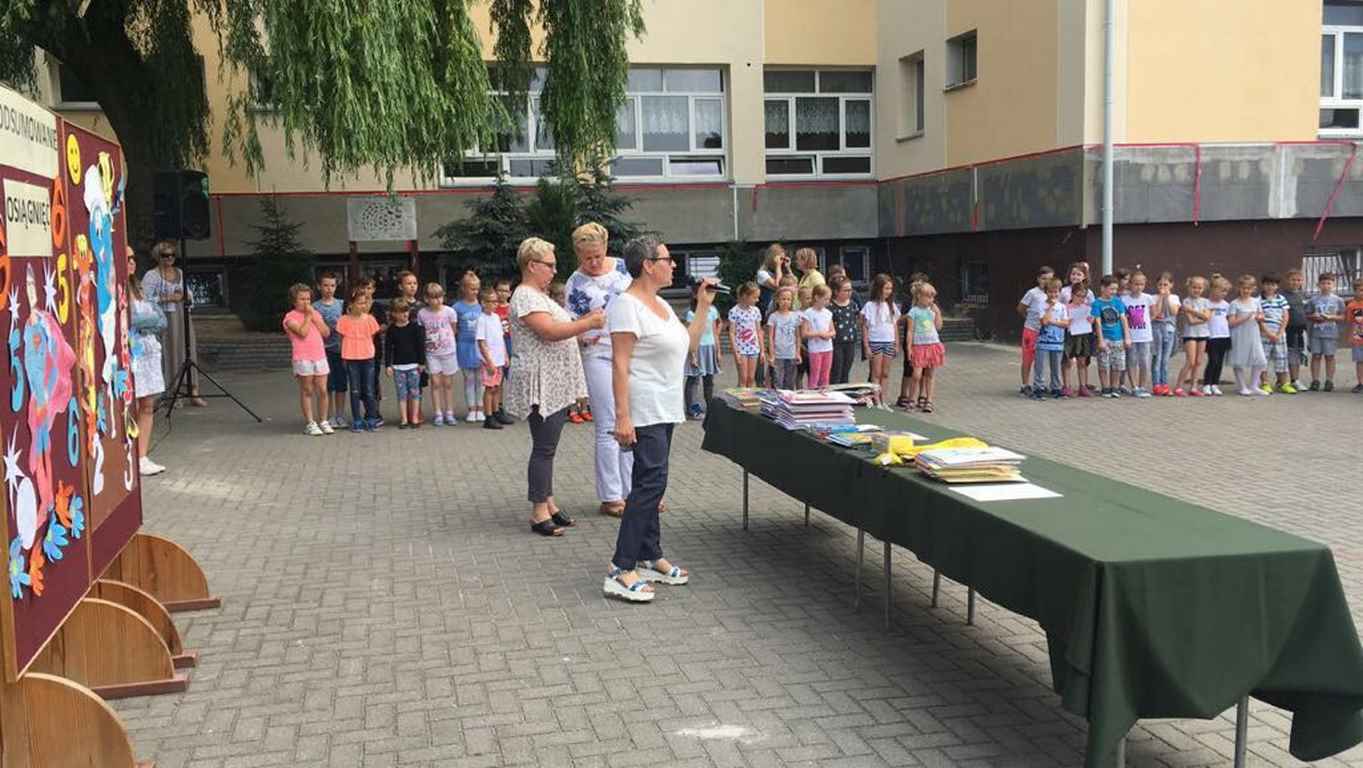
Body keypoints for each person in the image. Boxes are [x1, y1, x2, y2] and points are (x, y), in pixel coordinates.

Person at [601, 236, 718, 603]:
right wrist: (622, 417)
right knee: (651, 483)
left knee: (650, 482)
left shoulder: (662, 304)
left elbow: (688, 345)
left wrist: (703, 306)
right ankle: (621, 568)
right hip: (643, 408)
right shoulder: (626, 306)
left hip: (666, 407)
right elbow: (619, 364)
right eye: (668, 259)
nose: (674, 264)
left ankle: (650, 555)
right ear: (648, 265)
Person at [504, 237, 602, 536]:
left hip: (552, 381)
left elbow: (560, 329)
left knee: (547, 447)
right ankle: (538, 512)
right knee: (544, 448)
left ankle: (548, 503)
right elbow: (548, 331)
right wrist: (588, 323)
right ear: (532, 265)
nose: (554, 271)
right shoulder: (526, 295)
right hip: (542, 382)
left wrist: (582, 327)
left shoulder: (538, 296)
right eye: (549, 265)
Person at [141, 241, 206, 406]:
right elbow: (145, 300)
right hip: (164, 318)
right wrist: (168, 298)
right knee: (169, 351)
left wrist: (184, 295)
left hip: (181, 315)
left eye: (172, 255)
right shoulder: (151, 275)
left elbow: (188, 293)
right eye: (165, 255)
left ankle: (193, 390)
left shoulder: (179, 272)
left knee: (187, 349)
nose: (169, 258)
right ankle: (172, 392)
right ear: (158, 257)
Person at [127, 248, 167, 476]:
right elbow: (130, 319)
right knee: (131, 405)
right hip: (132, 352)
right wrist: (147, 320)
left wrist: (146, 321)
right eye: (127, 258)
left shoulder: (140, 287)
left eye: (134, 258)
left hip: (149, 351)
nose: (132, 262)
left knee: (148, 404)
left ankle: (142, 456)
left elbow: (161, 320)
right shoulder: (115, 287)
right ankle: (129, 457)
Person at [282, 283, 333, 435]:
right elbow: (302, 333)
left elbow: (326, 333)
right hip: (303, 357)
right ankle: (310, 423)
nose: (306, 302)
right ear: (294, 301)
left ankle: (323, 420)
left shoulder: (315, 313)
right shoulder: (290, 317)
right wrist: (309, 316)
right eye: (302, 299)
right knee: (307, 390)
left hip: (319, 355)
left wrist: (315, 317)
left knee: (323, 390)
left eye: (308, 299)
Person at [336, 287, 382, 432]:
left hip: (367, 358)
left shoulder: (370, 319)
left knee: (369, 389)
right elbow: (341, 339)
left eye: (364, 303)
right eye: (359, 303)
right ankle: (357, 419)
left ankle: (371, 418)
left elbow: (372, 337)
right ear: (351, 304)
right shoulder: (343, 320)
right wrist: (344, 356)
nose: (363, 306)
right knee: (355, 390)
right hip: (351, 359)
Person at [419, 283, 459, 425]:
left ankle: (449, 412)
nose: (437, 301)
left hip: (448, 351)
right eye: (434, 298)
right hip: (432, 353)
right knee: (435, 383)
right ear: (426, 299)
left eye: (440, 297)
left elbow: (453, 329)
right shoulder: (422, 313)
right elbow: (421, 332)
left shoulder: (449, 312)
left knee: (448, 383)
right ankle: (438, 413)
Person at [384, 298, 426, 428]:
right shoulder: (391, 330)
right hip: (398, 367)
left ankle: (414, 418)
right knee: (401, 394)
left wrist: (422, 362)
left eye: (406, 311)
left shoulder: (415, 327)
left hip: (413, 365)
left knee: (415, 392)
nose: (404, 314)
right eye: (401, 312)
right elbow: (388, 349)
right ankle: (404, 419)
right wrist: (388, 365)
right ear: (394, 314)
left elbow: (420, 346)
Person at [861, 273, 900, 407]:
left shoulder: (891, 305)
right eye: (886, 288)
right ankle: (876, 399)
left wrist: (896, 343)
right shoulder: (869, 305)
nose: (889, 291)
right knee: (876, 373)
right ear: (878, 289)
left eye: (890, 289)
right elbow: (865, 326)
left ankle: (883, 399)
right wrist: (866, 346)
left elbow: (894, 326)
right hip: (875, 342)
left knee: (885, 373)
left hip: (889, 342)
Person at [905, 282, 946, 412]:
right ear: (919, 296)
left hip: (932, 344)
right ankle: (911, 399)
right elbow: (910, 331)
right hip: (919, 346)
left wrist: (937, 313)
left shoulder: (932, 311)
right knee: (916, 374)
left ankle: (929, 400)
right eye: (928, 297)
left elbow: (938, 327)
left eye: (932, 297)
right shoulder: (913, 311)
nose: (931, 300)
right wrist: (909, 348)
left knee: (930, 374)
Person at [1226, 275, 1269, 396]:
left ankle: (1254, 386)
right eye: (1243, 288)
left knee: (1260, 360)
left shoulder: (1256, 301)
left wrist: (1260, 317)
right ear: (1239, 288)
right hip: (1239, 334)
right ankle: (1242, 387)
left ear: (1253, 289)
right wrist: (1246, 317)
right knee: (1238, 361)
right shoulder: (1234, 304)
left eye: (1249, 288)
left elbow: (1261, 315)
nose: (1246, 291)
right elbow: (1231, 323)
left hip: (1253, 334)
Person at [684, 285, 723, 418]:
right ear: (696, 295)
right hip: (697, 348)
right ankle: (692, 410)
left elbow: (714, 333)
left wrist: (718, 351)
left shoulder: (712, 310)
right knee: (694, 380)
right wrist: (692, 355)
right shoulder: (691, 313)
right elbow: (690, 335)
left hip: (710, 348)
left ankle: (710, 407)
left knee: (709, 380)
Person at [315, 272, 348, 427]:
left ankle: (340, 415)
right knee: (327, 385)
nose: (329, 289)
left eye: (332, 285)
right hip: (323, 351)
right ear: (319, 287)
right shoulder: (315, 307)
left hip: (341, 350)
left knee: (341, 385)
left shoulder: (342, 304)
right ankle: (328, 416)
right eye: (326, 285)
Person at [1016, 266, 1055, 396]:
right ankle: (1025, 385)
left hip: (1046, 331)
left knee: (1042, 359)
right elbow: (1021, 308)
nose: (1046, 281)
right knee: (1028, 357)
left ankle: (1040, 384)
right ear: (1038, 279)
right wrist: (1029, 319)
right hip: (1032, 330)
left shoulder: (1053, 293)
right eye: (1044, 278)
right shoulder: (1032, 293)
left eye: (1049, 279)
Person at [1090, 275, 1130, 398]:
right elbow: (1097, 322)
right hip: (1105, 338)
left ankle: (1115, 387)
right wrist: (1100, 340)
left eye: (1115, 289)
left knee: (1117, 365)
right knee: (1103, 365)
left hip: (1118, 338)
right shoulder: (1097, 303)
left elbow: (1123, 319)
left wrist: (1127, 337)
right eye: (1111, 289)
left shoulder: (1118, 302)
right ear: (1103, 288)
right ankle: (1105, 387)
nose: (1114, 291)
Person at [453, 271, 485, 421]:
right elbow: (454, 329)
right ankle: (471, 409)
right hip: (464, 346)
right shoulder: (457, 307)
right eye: (472, 289)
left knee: (481, 379)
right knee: (469, 379)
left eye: (477, 289)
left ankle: (480, 408)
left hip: (480, 347)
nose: (475, 292)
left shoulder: (482, 306)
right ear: (464, 289)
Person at [475, 288, 508, 430]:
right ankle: (488, 417)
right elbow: (481, 342)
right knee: (489, 388)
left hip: (499, 359)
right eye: (491, 301)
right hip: (489, 361)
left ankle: (496, 412)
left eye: (496, 301)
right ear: (483, 303)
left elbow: (501, 338)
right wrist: (489, 361)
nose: (495, 304)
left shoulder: (496, 318)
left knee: (496, 388)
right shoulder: (481, 320)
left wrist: (505, 355)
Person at [1306, 272, 1346, 391]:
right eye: (1323, 283)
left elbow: (1343, 317)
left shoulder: (1338, 300)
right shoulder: (1313, 300)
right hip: (1316, 333)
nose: (1326, 286)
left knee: (1330, 356)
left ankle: (1329, 380)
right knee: (1316, 355)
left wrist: (1331, 317)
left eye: (1329, 283)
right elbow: (1307, 315)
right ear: (1318, 285)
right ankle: (1315, 380)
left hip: (1331, 333)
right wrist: (1313, 316)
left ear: (1334, 285)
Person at [1032, 278, 1069, 400]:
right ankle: (1038, 387)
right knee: (1040, 365)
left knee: (1056, 365)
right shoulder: (1041, 305)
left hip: (1057, 341)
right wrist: (1049, 308)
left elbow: (1065, 323)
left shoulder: (1062, 307)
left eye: (1056, 292)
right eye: (1050, 292)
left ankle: (1056, 387)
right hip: (1043, 340)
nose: (1053, 295)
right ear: (1046, 292)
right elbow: (1044, 321)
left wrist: (1053, 322)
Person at [1174, 275, 1211, 397]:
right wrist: (1202, 317)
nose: (1197, 290)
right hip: (1190, 334)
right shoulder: (1186, 301)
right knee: (1190, 361)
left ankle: (1193, 387)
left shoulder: (1206, 302)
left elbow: (1207, 317)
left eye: (1200, 288)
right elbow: (1191, 321)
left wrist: (1191, 311)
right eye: (1194, 287)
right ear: (1189, 287)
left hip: (1203, 334)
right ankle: (1178, 386)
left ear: (1203, 289)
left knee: (1198, 362)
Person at [1060, 263, 1093, 396]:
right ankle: (1066, 386)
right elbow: (1059, 309)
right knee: (1068, 360)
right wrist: (1064, 320)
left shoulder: (1089, 293)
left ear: (1084, 276)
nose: (1075, 276)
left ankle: (1083, 386)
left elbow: (1092, 310)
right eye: (1073, 274)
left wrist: (1091, 319)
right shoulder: (1064, 291)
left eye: (1079, 274)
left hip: (1083, 333)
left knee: (1082, 360)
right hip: (1068, 332)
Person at [1257, 274, 1294, 394]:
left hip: (1280, 334)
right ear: (1263, 285)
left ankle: (1284, 383)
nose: (1270, 287)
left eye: (1273, 284)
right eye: (1267, 284)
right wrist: (1268, 333)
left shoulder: (1281, 299)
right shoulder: (1258, 300)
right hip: (1264, 334)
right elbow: (1259, 319)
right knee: (1263, 360)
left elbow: (1286, 316)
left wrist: (1280, 332)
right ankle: (1265, 383)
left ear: (1277, 286)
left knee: (1282, 359)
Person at [1122, 271, 1154, 397]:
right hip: (1131, 335)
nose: (1139, 287)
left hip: (1145, 335)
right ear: (1130, 284)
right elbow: (1123, 317)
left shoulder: (1148, 298)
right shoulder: (1124, 299)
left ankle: (1142, 386)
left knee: (1145, 361)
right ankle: (1134, 386)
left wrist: (1146, 322)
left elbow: (1153, 313)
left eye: (1141, 284)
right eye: (1136, 284)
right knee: (1132, 361)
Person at [727, 282, 765, 388]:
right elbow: (732, 333)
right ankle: (740, 397)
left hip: (754, 348)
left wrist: (762, 350)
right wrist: (736, 351)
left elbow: (759, 331)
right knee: (743, 378)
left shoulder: (756, 311)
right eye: (754, 297)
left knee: (751, 378)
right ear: (745, 296)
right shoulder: (734, 311)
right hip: (741, 349)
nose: (757, 300)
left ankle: (750, 397)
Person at [1149, 272, 1181, 396]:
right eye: (1160, 284)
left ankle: (1165, 384)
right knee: (1157, 358)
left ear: (1171, 285)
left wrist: (1167, 297)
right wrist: (1161, 298)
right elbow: (1156, 312)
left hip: (1169, 330)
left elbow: (1174, 312)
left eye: (1165, 284)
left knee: (1165, 359)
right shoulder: (1153, 298)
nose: (1162, 287)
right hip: (1156, 330)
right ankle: (1156, 384)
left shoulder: (1175, 297)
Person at [1202, 275, 1232, 396]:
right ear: (1213, 289)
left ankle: (1215, 384)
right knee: (1212, 360)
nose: (1224, 294)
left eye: (1226, 291)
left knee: (1220, 362)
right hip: (1211, 336)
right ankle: (1206, 384)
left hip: (1224, 336)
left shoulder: (1226, 305)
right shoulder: (1206, 303)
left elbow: (1228, 320)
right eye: (1222, 290)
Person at [766, 287, 802, 390]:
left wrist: (798, 353)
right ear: (777, 300)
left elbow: (797, 336)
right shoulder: (773, 317)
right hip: (778, 355)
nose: (786, 302)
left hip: (791, 354)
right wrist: (771, 355)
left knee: (790, 382)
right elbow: (770, 337)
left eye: (788, 299)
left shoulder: (795, 316)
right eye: (783, 299)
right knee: (778, 381)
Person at [801, 284, 835, 389]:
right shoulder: (808, 313)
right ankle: (812, 394)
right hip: (815, 349)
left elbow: (833, 331)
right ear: (816, 297)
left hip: (828, 348)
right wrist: (819, 334)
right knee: (815, 374)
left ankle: (824, 394)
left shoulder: (828, 313)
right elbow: (804, 333)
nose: (828, 302)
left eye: (829, 299)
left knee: (825, 374)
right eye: (825, 299)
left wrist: (828, 335)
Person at [828, 277, 861, 385]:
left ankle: (845, 392)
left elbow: (858, 318)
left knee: (846, 371)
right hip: (836, 342)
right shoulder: (830, 306)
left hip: (850, 341)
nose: (849, 293)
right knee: (836, 370)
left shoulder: (852, 304)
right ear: (836, 291)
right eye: (845, 290)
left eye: (850, 290)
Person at [1282, 268, 1309, 390]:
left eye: (1299, 280)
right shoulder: (1282, 295)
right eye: (1293, 280)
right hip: (1288, 329)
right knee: (1288, 355)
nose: (1296, 282)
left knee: (1298, 355)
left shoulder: (1303, 294)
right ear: (1287, 280)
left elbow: (1307, 311)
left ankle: (1295, 380)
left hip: (1301, 330)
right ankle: (1285, 380)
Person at [494, 276, 515, 421]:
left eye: (505, 291)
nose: (502, 293)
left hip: (511, 342)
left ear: (510, 293)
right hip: (497, 343)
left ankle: (519, 405)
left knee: (513, 376)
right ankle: (499, 407)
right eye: (499, 290)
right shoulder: (492, 308)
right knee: (499, 378)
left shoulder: (513, 308)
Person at [1347, 278, 1363, 393]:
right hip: (1358, 337)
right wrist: (1349, 336)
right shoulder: (1351, 306)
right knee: (1360, 361)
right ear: (1355, 291)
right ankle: (1360, 383)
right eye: (1361, 290)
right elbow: (1350, 322)